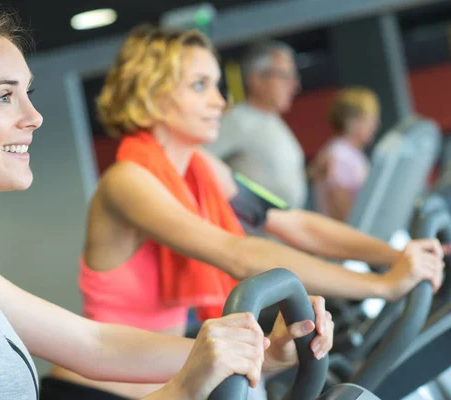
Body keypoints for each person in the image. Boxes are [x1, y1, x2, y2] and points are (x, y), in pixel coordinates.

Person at [0, 10, 334, 400]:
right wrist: (184, 391)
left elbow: (93, 343)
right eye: (4, 97)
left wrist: (261, 355)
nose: (34, 117)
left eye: (28, 94)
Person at [44, 24, 445, 400]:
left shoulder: (201, 169)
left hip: (161, 379)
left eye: (216, 85)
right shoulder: (127, 180)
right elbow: (239, 254)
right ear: (151, 93)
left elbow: (293, 222)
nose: (220, 101)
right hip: (96, 390)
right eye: (200, 86)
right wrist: (382, 286)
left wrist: (396, 258)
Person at [204, 40, 308, 209]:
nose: (294, 85)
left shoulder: (273, 120)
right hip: (250, 230)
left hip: (282, 228)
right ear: (257, 79)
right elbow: (198, 160)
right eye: (285, 76)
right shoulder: (238, 120)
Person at [310, 87, 380, 221]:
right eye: (369, 119)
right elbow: (342, 212)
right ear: (352, 122)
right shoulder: (340, 155)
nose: (375, 125)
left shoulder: (348, 153)